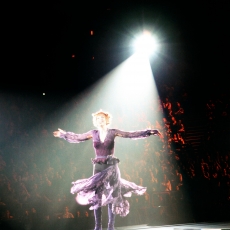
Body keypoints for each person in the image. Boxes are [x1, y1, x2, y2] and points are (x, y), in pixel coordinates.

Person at [53, 110, 161, 230]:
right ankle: (98, 226)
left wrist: (148, 132)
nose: (100, 120)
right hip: (98, 167)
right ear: (95, 121)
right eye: (98, 118)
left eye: (102, 118)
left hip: (111, 166)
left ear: (106, 120)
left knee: (112, 196)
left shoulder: (113, 132)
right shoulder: (93, 133)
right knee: (97, 197)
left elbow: (130, 134)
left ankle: (111, 226)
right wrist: (64, 134)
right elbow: (78, 137)